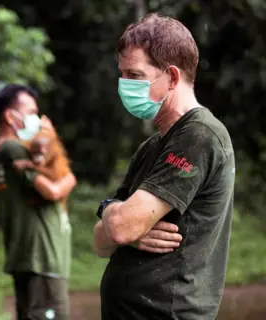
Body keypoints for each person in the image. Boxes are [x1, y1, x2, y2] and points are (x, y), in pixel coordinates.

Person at [93, 13, 235, 320]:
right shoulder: (152, 147)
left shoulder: (199, 136)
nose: (124, 85)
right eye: (122, 74)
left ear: (171, 77)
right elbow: (101, 241)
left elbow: (119, 227)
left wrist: (115, 217)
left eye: (135, 75)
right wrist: (121, 222)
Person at [0, 84, 77, 320]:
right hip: (41, 255)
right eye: (31, 112)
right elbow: (53, 189)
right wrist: (69, 178)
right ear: (10, 116)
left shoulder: (5, 151)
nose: (36, 120)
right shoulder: (12, 148)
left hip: (32, 255)